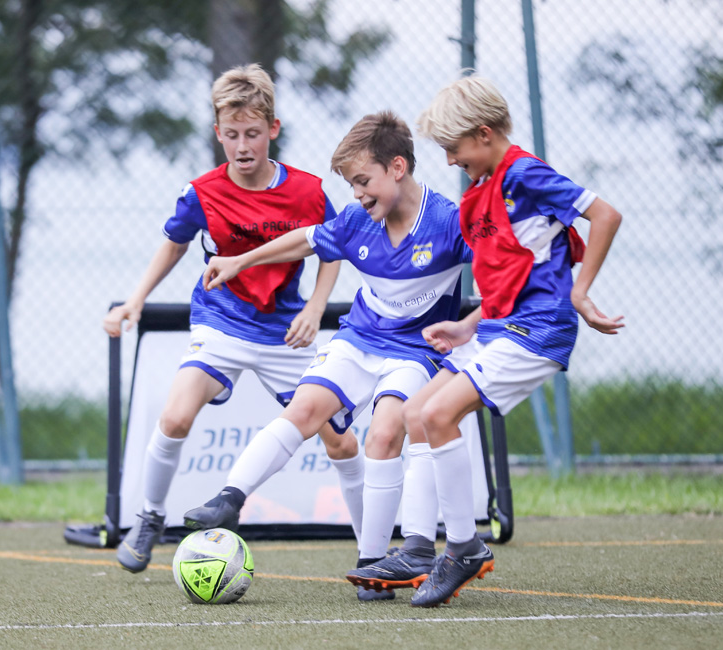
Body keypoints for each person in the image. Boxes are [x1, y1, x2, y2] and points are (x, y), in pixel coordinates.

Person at [182, 111, 475, 601]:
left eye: (363, 182)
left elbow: (501, 262)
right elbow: (306, 239)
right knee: (304, 408)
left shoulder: (448, 223)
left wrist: (480, 322)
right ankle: (230, 499)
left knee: (386, 431)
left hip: (414, 352)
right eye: (351, 185)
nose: (357, 195)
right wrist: (238, 260)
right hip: (358, 339)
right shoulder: (359, 220)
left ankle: (373, 565)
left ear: (397, 167)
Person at [104, 63, 362, 574]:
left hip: (284, 332)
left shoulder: (308, 192)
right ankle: (150, 517)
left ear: (273, 130)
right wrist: (135, 299)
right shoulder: (202, 192)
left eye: (252, 133)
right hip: (219, 323)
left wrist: (314, 307)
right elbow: (175, 245)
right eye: (231, 135)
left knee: (340, 439)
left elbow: (332, 250)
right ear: (217, 132)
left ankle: (370, 549)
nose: (242, 146)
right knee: (175, 416)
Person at [377, 73, 624, 608]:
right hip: (499, 327)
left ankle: (463, 547)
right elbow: (514, 278)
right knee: (415, 413)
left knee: (439, 417)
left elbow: (605, 215)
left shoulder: (527, 174)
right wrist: (467, 326)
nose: (448, 161)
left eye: (453, 148)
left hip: (540, 330)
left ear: (484, 134)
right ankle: (420, 550)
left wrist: (581, 292)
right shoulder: (481, 196)